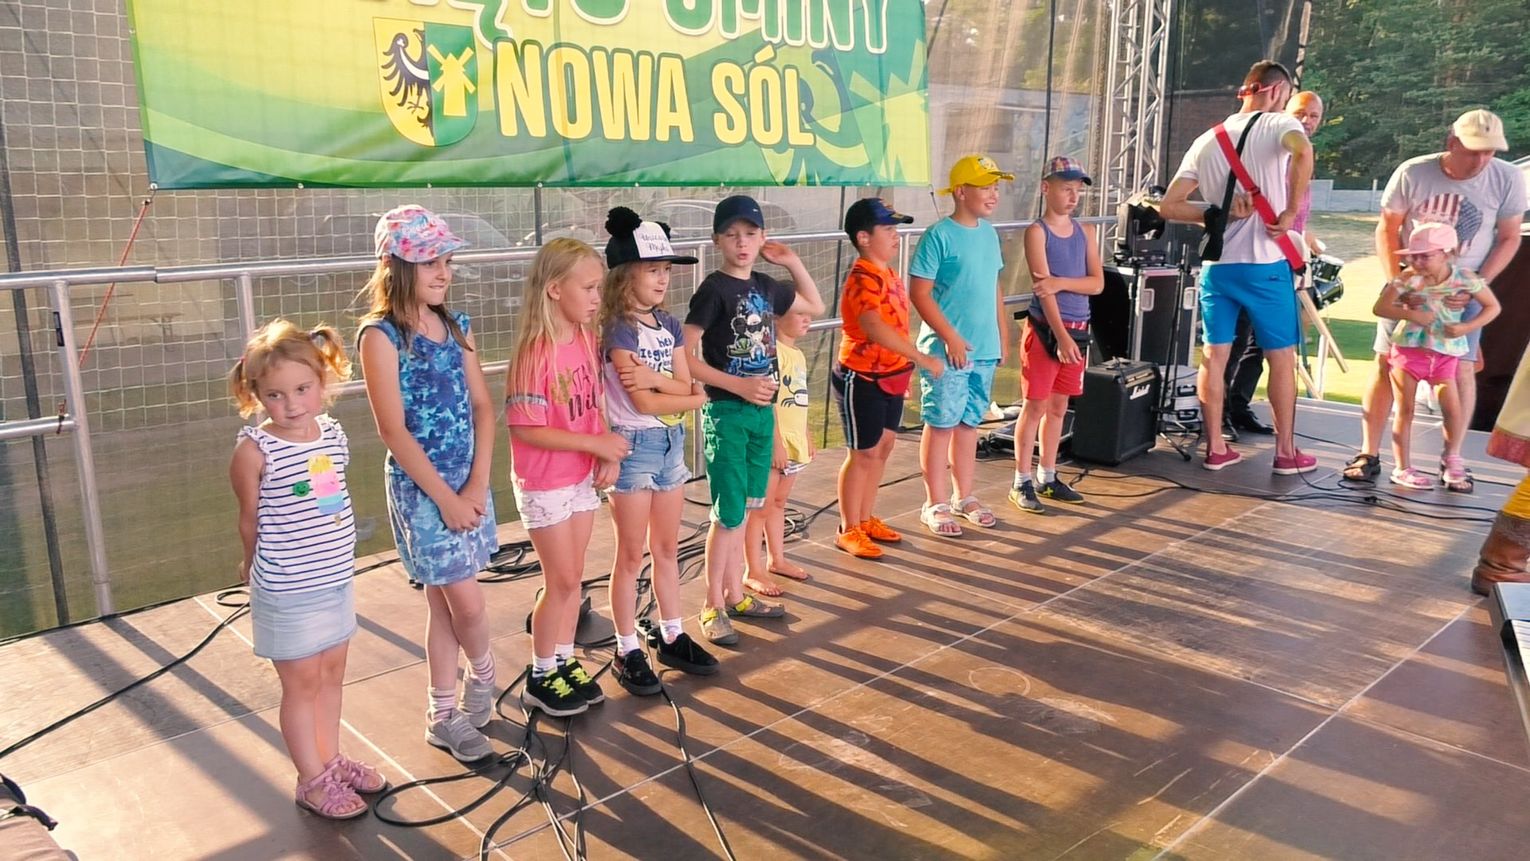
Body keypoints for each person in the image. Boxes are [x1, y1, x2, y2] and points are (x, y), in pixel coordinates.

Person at [357, 206, 499, 760]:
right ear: (395, 267)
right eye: (429, 262)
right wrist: (446, 500)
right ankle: (483, 673)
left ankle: (442, 713)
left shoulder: (457, 326)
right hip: (424, 496)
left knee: (445, 607)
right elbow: (393, 430)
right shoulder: (380, 336)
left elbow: (483, 408)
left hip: (467, 486)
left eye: (447, 260)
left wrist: (476, 486)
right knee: (467, 604)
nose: (444, 272)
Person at [229, 319, 385, 820]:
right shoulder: (254, 451)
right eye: (275, 395)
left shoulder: (331, 436)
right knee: (301, 685)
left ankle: (329, 759)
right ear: (256, 395)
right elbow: (250, 519)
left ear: (322, 381)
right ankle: (311, 781)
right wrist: (251, 562)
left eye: (302, 389)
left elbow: (327, 501)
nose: (292, 404)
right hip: (288, 590)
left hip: (334, 580)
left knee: (331, 675)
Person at [1345, 108, 1526, 485]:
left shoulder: (1507, 177)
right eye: (1473, 150)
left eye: (1490, 151)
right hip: (1410, 284)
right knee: (1386, 363)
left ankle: (1452, 458)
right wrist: (1398, 284)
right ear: (1452, 142)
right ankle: (1369, 452)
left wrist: (1476, 285)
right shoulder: (1414, 172)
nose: (1481, 160)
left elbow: (1509, 237)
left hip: (1463, 289)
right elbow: (1388, 228)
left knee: (1462, 370)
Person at [1159, 60, 1315, 474]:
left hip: (1219, 267)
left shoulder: (1206, 139)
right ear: (1277, 91)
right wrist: (1290, 210)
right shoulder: (1280, 124)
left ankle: (1215, 448)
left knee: (1214, 355)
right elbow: (1303, 152)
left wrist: (1217, 213)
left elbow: (1168, 206)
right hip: (1264, 264)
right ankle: (1285, 453)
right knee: (1281, 357)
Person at [683, 195, 825, 645]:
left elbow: (815, 305)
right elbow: (683, 353)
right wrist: (736, 385)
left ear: (762, 238)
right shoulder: (713, 290)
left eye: (750, 234)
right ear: (717, 240)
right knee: (727, 513)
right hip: (727, 413)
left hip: (762, 415)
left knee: (747, 509)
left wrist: (792, 261)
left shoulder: (766, 285)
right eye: (732, 235)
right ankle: (712, 604)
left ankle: (735, 593)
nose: (742, 243)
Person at [596, 207, 718, 696]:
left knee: (666, 548)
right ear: (625, 275)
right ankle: (626, 647)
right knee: (630, 554)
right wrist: (674, 390)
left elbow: (692, 390)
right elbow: (645, 401)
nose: (663, 279)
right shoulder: (618, 329)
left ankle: (671, 633)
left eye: (666, 269)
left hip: (670, 445)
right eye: (652, 270)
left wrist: (657, 380)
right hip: (634, 447)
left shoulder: (668, 324)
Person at [506, 238, 625, 716]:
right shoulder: (535, 353)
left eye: (599, 287)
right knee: (559, 581)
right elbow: (526, 427)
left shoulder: (585, 340)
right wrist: (595, 446)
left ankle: (561, 658)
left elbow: (594, 404)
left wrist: (606, 448)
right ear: (555, 289)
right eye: (589, 288)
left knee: (574, 578)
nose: (597, 297)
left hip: (578, 477)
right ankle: (540, 675)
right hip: (545, 483)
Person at [832, 197, 943, 558]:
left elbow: (897, 325)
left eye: (896, 229)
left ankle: (865, 518)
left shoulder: (889, 274)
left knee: (883, 447)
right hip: (861, 376)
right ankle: (848, 527)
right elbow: (874, 326)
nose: (896, 236)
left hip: (892, 375)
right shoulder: (862, 278)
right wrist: (920, 358)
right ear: (863, 237)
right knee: (863, 453)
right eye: (888, 229)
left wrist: (904, 369)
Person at [911, 155, 1012, 536]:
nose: (993, 194)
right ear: (960, 192)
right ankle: (934, 502)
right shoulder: (938, 235)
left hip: (982, 350)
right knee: (941, 424)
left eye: (995, 187)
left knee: (970, 424)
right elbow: (919, 293)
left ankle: (963, 496)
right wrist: (950, 337)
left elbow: (993, 288)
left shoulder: (989, 233)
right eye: (985, 186)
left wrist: (1002, 335)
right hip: (945, 353)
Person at [1222, 90, 1326, 442]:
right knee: (1234, 338)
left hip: (1283, 261)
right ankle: (1219, 414)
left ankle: (1239, 405)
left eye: (1314, 116)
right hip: (1252, 258)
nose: (1307, 121)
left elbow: (1295, 216)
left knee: (1261, 345)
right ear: (1284, 111)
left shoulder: (1302, 157)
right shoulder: (1271, 151)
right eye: (1301, 113)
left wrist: (1304, 244)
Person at [1372, 222, 1499, 490]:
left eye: (1425, 256)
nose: (1417, 262)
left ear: (1447, 253)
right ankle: (1402, 468)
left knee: (1452, 409)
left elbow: (1492, 307)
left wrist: (1466, 327)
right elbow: (1380, 307)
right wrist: (1410, 313)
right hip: (1409, 352)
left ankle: (1452, 458)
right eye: (1413, 256)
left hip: (1445, 353)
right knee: (1405, 410)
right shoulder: (1408, 278)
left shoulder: (1464, 278)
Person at [1010, 157, 1103, 513]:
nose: (1073, 197)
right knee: (1035, 404)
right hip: (1047, 330)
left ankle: (1047, 475)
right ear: (1046, 188)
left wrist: (1061, 282)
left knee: (1060, 405)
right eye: (1066, 189)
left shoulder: (1086, 232)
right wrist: (1061, 335)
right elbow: (1043, 290)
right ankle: (1021, 479)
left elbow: (1097, 283)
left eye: (1077, 190)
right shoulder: (1037, 232)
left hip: (1078, 327)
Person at [744, 301, 817, 583]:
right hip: (773, 444)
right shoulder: (770, 353)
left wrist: (806, 433)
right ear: (776, 316)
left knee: (778, 502)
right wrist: (776, 444)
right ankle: (753, 569)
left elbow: (798, 397)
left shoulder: (797, 354)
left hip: (793, 442)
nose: (807, 319)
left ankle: (777, 559)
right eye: (799, 313)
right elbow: (768, 402)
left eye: (809, 314)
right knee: (760, 508)